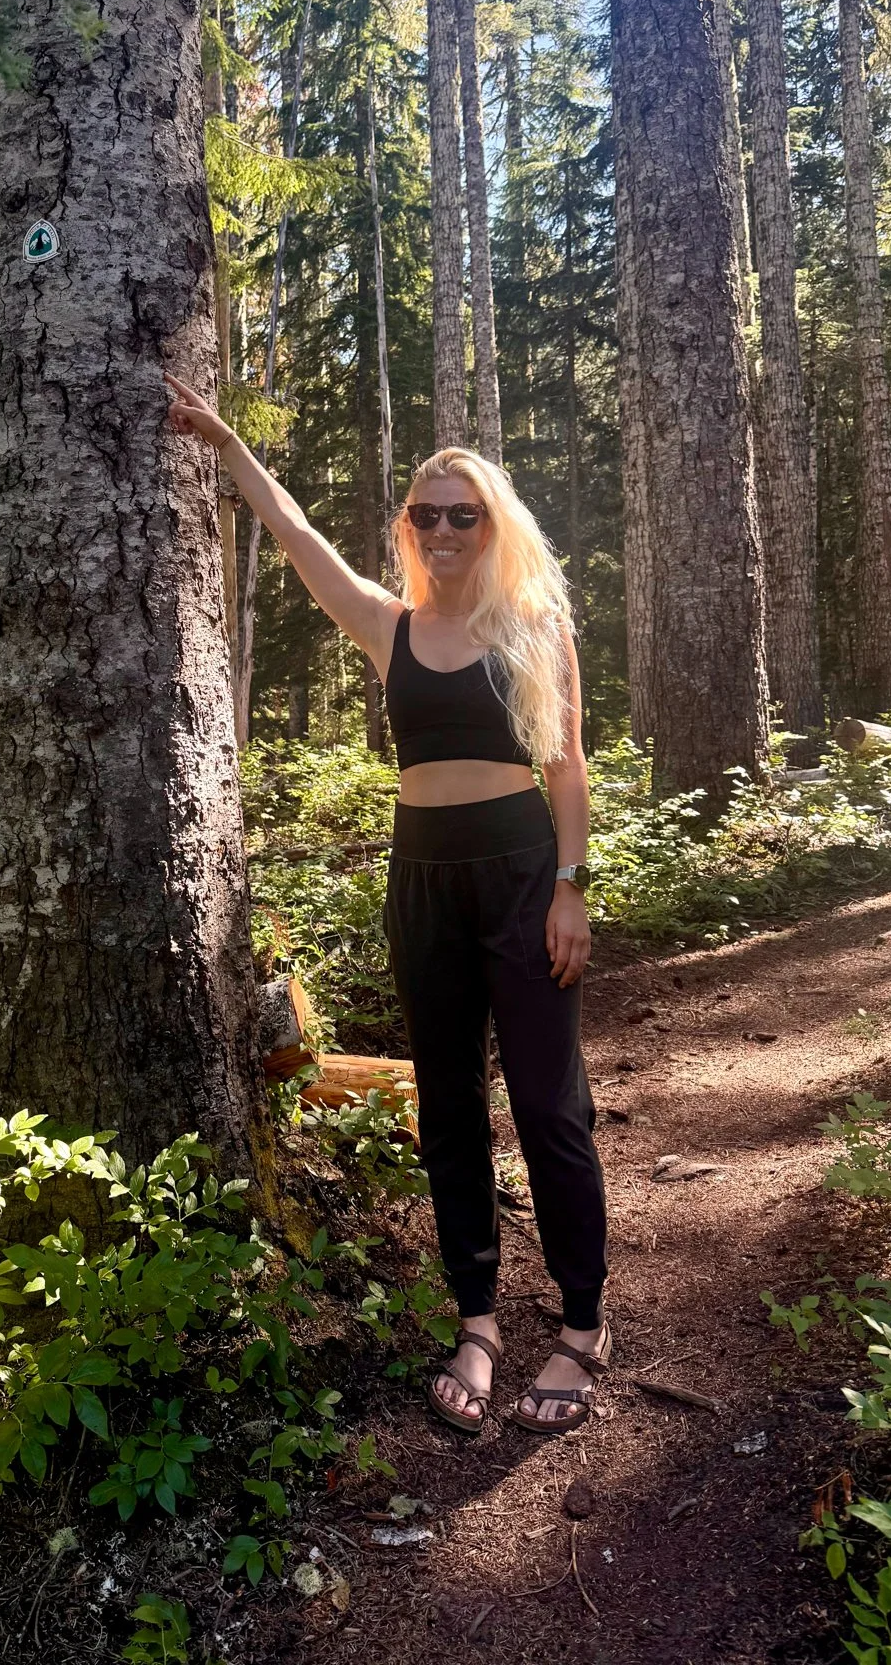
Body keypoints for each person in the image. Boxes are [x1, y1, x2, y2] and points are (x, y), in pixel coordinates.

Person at [166, 372, 611, 1438]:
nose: (446, 527)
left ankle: (586, 1325)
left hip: (518, 874)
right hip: (421, 881)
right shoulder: (390, 625)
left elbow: (568, 771)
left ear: (493, 524)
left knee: (550, 1103)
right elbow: (294, 528)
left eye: (466, 512)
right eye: (428, 513)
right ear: (409, 527)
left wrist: (569, 887)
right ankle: (479, 1319)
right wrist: (228, 446)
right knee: (448, 1103)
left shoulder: (535, 626)